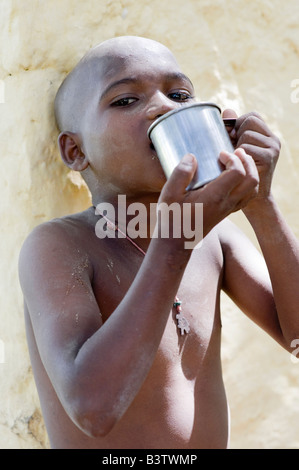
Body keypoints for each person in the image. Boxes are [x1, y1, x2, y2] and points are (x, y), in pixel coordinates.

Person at [18, 36, 299, 449]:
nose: (166, 107)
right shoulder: (61, 246)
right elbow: (94, 409)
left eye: (180, 94)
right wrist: (175, 241)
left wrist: (262, 205)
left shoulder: (214, 238)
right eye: (125, 100)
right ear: (75, 150)